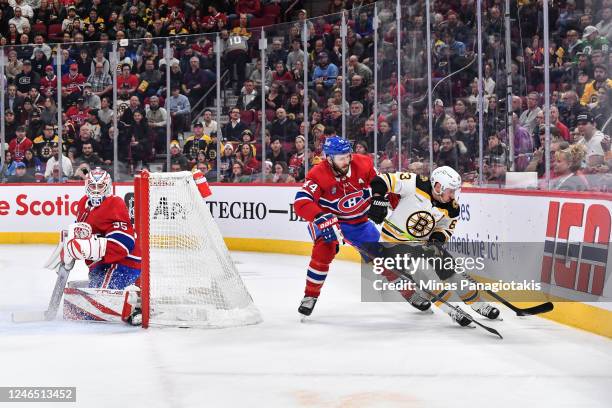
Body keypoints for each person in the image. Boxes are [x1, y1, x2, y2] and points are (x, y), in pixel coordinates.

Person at [367, 166, 501, 327]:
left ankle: (477, 304)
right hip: (394, 244)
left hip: (423, 244)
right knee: (425, 274)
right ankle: (452, 309)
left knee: (451, 271)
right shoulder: (415, 183)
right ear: (438, 186)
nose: (453, 195)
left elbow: (445, 229)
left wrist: (436, 240)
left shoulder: (452, 208)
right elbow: (381, 180)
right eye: (450, 191)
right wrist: (377, 199)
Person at [293, 137, 379, 317]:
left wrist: (383, 201)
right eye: (341, 158)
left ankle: (409, 291)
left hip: (359, 222)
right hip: (329, 222)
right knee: (323, 250)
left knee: (380, 256)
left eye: (348, 156)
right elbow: (301, 202)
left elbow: (381, 185)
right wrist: (320, 216)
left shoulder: (363, 163)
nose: (346, 161)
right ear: (329, 158)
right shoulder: (318, 173)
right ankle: (310, 296)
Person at [61, 168, 142, 324]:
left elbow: (124, 243)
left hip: (124, 262)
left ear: (108, 186)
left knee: (98, 301)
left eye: (100, 186)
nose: (96, 190)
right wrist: (69, 246)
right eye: (93, 186)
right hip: (102, 263)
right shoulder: (83, 203)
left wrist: (91, 247)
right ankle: (133, 295)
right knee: (88, 301)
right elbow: (81, 230)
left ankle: (136, 305)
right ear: (87, 186)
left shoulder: (115, 203)